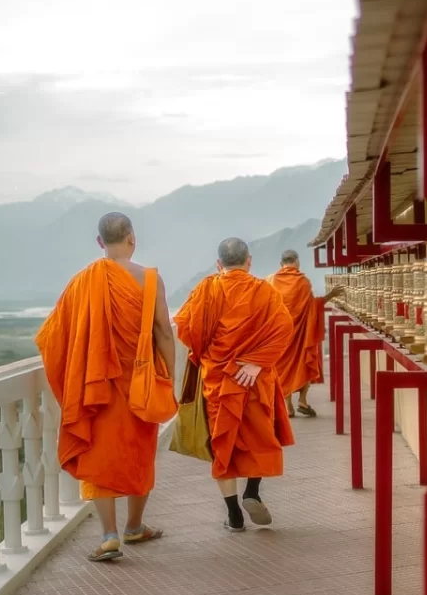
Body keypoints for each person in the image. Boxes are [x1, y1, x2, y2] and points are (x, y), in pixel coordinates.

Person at [36, 212, 174, 562]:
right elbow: (163, 331)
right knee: (140, 452)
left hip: (96, 385)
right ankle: (135, 526)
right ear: (132, 238)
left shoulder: (84, 280)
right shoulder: (150, 279)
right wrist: (168, 377)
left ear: (100, 242)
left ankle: (109, 535)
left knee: (100, 456)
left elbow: (54, 335)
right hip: (140, 381)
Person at [174, 238, 296, 530]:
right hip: (253, 379)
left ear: (219, 264)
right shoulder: (264, 290)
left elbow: (187, 329)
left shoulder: (206, 290)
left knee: (222, 442)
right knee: (259, 436)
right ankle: (252, 492)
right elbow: (284, 328)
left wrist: (209, 352)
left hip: (219, 380)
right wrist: (256, 362)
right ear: (249, 261)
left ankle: (234, 515)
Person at [268, 249, 343, 418]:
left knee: (282, 369)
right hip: (300, 336)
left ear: (281, 264)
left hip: (280, 335)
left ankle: (288, 406)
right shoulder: (303, 282)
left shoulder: (271, 281)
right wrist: (331, 295)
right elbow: (312, 307)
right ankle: (302, 400)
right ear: (297, 262)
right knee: (304, 364)